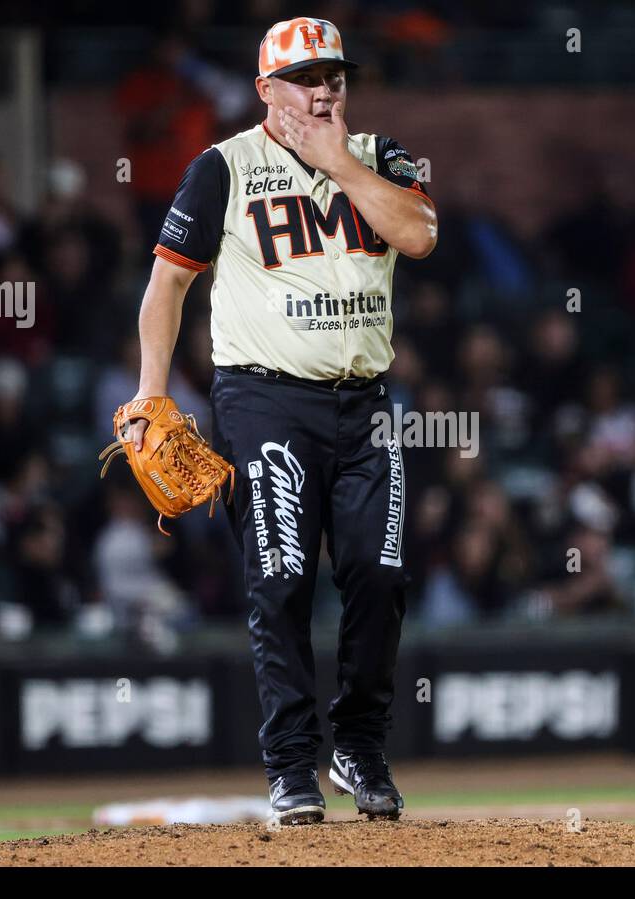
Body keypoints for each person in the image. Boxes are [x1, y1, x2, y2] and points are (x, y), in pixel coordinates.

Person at [125, 17, 436, 824]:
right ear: (266, 91)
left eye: (334, 74)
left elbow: (420, 234)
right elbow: (167, 286)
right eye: (304, 77)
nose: (324, 88)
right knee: (281, 576)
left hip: (366, 403)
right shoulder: (222, 167)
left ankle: (358, 746)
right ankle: (291, 764)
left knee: (380, 573)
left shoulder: (380, 156)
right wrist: (152, 392)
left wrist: (338, 164)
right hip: (264, 399)